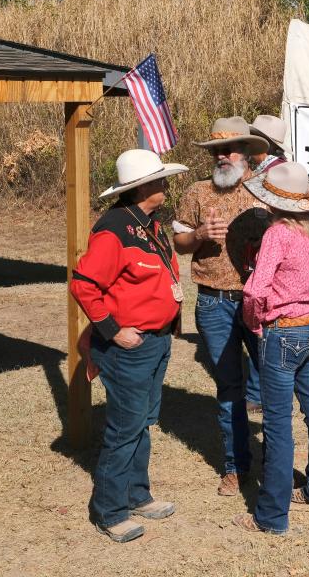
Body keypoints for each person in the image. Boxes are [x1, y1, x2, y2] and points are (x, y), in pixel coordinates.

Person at [70, 148, 189, 543]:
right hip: (129, 347)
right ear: (142, 188)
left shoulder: (148, 224)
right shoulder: (114, 228)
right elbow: (84, 285)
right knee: (125, 430)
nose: (165, 185)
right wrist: (112, 330)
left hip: (154, 343)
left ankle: (138, 495)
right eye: (159, 180)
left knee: (142, 424)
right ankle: (109, 510)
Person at [233, 161, 309, 535]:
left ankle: (272, 516)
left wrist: (255, 322)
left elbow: (254, 289)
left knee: (277, 424)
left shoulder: (277, 234)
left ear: (273, 203)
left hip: (283, 333)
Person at [172, 116, 272, 497]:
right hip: (214, 303)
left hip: (258, 301)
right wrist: (198, 235)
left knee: (275, 385)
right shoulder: (197, 193)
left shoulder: (267, 190)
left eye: (229, 149)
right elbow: (179, 243)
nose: (222, 156)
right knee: (229, 387)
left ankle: (276, 465)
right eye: (216, 150)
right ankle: (235, 467)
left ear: (246, 152)